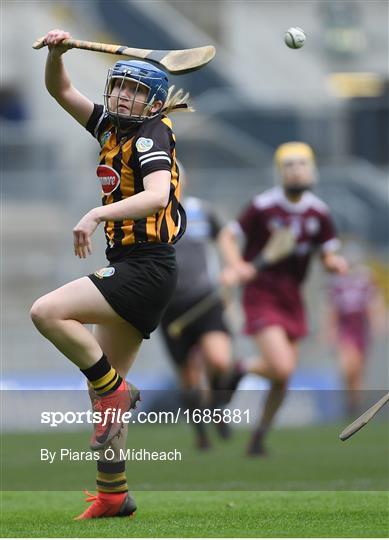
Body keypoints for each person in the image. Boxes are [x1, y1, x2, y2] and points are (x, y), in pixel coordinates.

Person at [30, 29, 192, 520]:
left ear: (153, 102)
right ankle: (113, 494)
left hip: (148, 266)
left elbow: (158, 195)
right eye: (119, 85)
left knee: (47, 312)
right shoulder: (110, 129)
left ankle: (114, 387)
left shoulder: (151, 133)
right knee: (103, 396)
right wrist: (58, 55)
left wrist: (96, 214)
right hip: (133, 266)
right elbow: (59, 90)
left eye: (135, 90)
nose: (123, 95)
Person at [219, 142, 348, 456]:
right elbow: (227, 235)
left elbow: (328, 251)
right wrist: (237, 266)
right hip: (261, 293)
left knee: (282, 379)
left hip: (293, 298)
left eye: (301, 164)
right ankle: (238, 370)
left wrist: (334, 263)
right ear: (280, 171)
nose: (296, 170)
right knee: (283, 366)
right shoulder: (263, 206)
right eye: (289, 165)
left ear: (311, 168)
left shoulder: (319, 211)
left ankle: (258, 437)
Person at [159, 166, 234, 449]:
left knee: (220, 361)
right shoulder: (149, 214)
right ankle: (201, 433)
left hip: (205, 300)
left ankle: (216, 404)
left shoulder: (202, 211)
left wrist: (232, 268)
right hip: (169, 308)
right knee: (188, 377)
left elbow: (225, 238)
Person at [326, 241, 386, 416]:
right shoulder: (338, 281)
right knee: (346, 366)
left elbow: (374, 302)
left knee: (358, 370)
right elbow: (333, 309)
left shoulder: (365, 279)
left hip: (360, 329)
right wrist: (330, 331)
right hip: (346, 329)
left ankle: (355, 406)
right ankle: (350, 402)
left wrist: (378, 321)